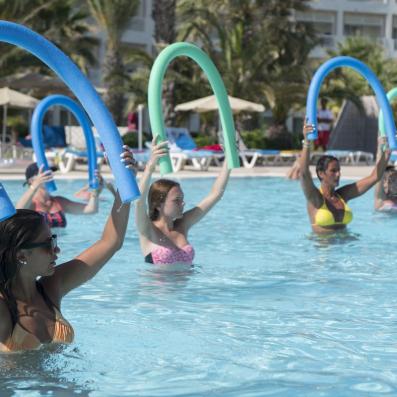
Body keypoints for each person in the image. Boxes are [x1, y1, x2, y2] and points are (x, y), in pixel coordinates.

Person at [0, 146, 136, 352]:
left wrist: (124, 180)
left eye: (53, 240)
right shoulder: (4, 308)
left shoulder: (52, 286)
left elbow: (111, 242)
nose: (57, 251)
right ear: (21, 255)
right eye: (48, 245)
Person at [135, 138, 231, 265]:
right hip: (156, 285)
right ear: (158, 205)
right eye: (177, 200)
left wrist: (228, 160)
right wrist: (150, 166)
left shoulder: (183, 224)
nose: (183, 203)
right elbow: (139, 202)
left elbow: (216, 194)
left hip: (189, 284)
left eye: (182, 199)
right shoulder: (147, 229)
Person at [300, 123, 390, 234]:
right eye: (333, 171)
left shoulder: (343, 195)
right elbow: (304, 174)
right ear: (321, 173)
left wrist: (386, 153)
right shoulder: (315, 198)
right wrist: (307, 143)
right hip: (324, 250)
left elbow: (374, 177)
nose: (338, 174)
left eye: (339, 171)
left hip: (347, 247)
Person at [16, 163, 101, 228]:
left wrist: (95, 191)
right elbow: (17, 213)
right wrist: (35, 186)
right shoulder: (31, 204)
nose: (50, 175)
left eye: (50, 173)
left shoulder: (59, 202)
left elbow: (91, 209)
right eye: (44, 173)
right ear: (31, 180)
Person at [375, 136, 397, 211]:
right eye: (385, 180)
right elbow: (378, 174)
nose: (387, 183)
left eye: (392, 180)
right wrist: (380, 148)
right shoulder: (380, 200)